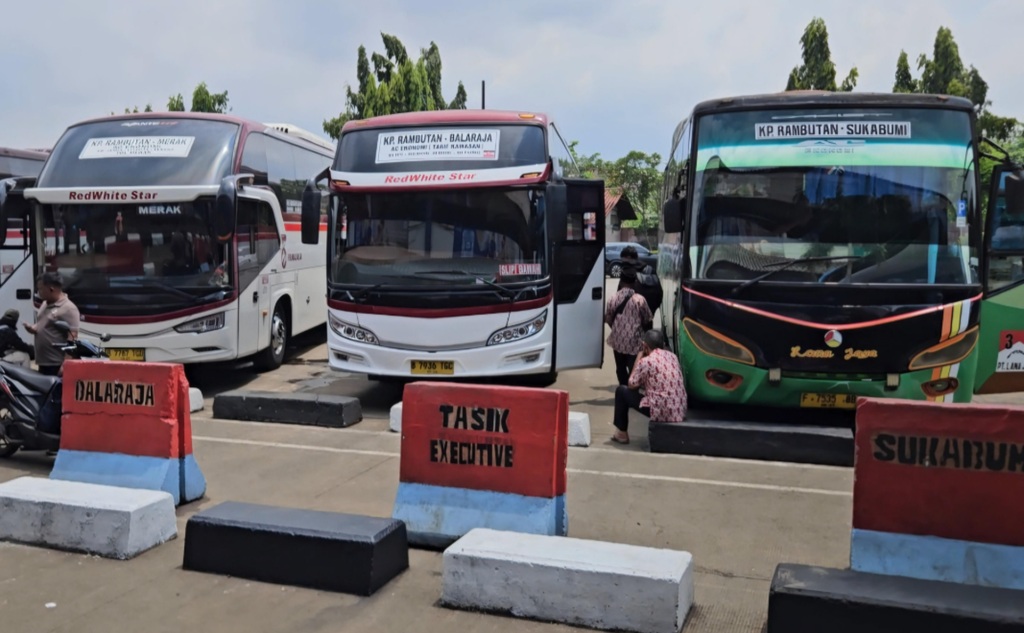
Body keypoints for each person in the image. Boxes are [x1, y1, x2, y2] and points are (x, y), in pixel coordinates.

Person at [611, 329, 686, 445]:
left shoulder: (646, 361)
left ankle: (622, 434)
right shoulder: (673, 357)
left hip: (661, 412)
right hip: (679, 411)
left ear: (645, 346)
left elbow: (632, 384)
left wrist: (639, 356)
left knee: (621, 391)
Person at [23, 272, 80, 376]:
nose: (38, 292)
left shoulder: (68, 308)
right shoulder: (45, 303)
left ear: (51, 289)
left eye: (41, 289)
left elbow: (73, 337)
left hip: (56, 365)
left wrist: (66, 365)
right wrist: (33, 328)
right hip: (43, 362)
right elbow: (43, 323)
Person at [604, 267, 652, 386]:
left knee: (620, 369)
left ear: (620, 281)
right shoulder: (640, 300)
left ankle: (623, 388)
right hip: (635, 343)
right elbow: (648, 320)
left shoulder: (613, 298)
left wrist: (618, 329)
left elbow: (608, 319)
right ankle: (632, 390)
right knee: (634, 370)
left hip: (617, 341)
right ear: (635, 282)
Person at [620, 245, 663, 318]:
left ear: (628, 258)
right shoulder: (650, 269)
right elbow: (659, 293)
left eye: (622, 259)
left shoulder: (626, 273)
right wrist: (651, 311)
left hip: (630, 317)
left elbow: (619, 295)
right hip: (648, 316)